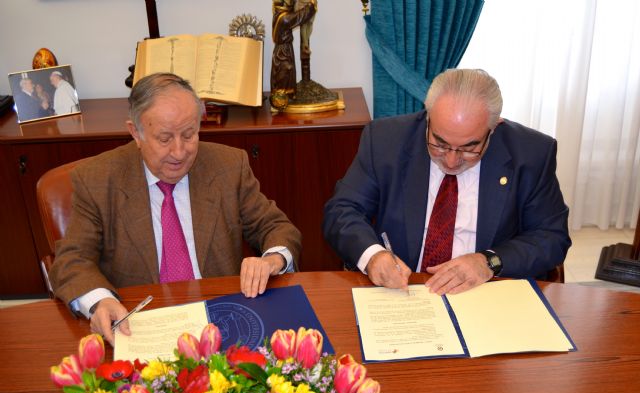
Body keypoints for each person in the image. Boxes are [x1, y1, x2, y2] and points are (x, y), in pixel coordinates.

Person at [50, 73, 302, 345]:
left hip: (221, 319)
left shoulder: (228, 166)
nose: (179, 152)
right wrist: (100, 301)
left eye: (189, 134)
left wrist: (271, 260)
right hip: (142, 325)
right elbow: (72, 259)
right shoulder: (97, 179)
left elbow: (276, 227)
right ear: (136, 132)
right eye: (164, 138)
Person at [323, 68, 571, 296]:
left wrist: (489, 262)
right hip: (405, 291)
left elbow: (551, 236)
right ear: (428, 117)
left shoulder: (531, 153)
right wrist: (374, 256)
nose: (452, 161)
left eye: (469, 147)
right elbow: (342, 210)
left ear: (494, 127)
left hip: (487, 292)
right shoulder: (386, 140)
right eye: (439, 143)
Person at [270, 0, 317, 96]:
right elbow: (300, 16)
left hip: (284, 50)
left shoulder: (278, 15)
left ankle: (286, 95)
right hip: (283, 53)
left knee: (286, 74)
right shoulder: (284, 18)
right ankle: (282, 98)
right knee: (284, 73)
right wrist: (311, 5)